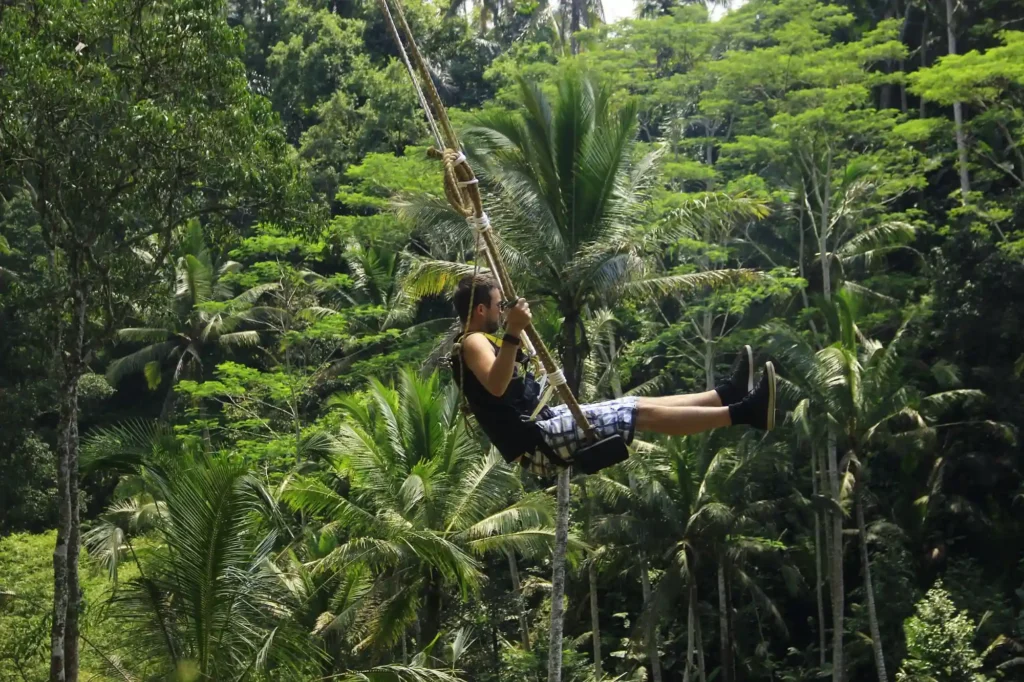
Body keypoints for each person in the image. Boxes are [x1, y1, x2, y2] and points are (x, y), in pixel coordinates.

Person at [449, 275, 776, 474]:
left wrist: (513, 336)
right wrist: (513, 332)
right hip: (537, 441)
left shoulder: (482, 340)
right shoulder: (473, 341)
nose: (501, 312)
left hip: (541, 426)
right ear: (481, 310)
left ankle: (725, 395)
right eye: (498, 306)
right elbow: (496, 386)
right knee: (640, 415)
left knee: (636, 404)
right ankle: (745, 413)